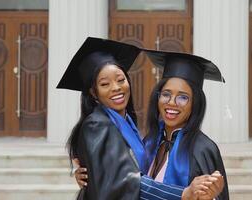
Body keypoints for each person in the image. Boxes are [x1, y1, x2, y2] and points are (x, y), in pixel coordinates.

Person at [58, 37, 221, 200]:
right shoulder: (99, 125)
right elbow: (124, 181)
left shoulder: (201, 148)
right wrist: (183, 194)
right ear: (94, 93)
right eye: (104, 84)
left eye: (121, 80)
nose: (116, 88)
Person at [142, 49, 230, 200]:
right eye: (166, 94)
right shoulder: (150, 141)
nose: (171, 103)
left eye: (183, 97)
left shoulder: (203, 149)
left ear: (195, 103)